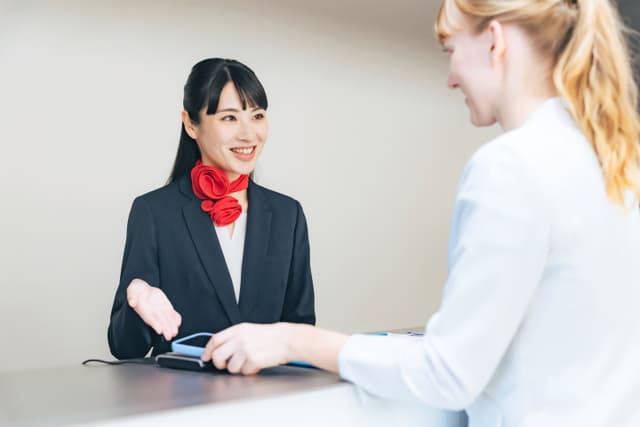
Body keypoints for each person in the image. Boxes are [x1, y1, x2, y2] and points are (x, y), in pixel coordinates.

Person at [200, 1, 640, 425]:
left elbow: (447, 374)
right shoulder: (616, 161)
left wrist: (294, 340)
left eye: (451, 50)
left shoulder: (511, 166)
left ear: (495, 41)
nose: (451, 78)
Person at [108, 58, 315, 359]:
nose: (248, 134)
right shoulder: (154, 213)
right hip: (183, 389)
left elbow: (301, 332)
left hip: (267, 388)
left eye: (257, 116)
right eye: (229, 118)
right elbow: (124, 348)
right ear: (191, 124)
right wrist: (137, 299)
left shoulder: (288, 215)